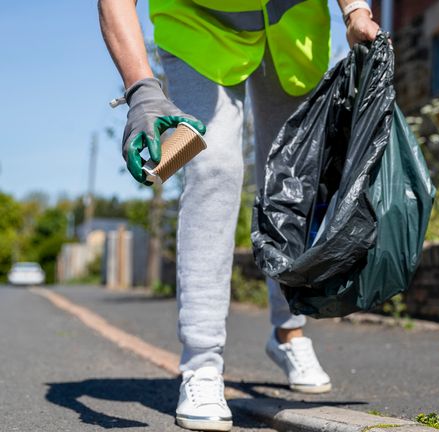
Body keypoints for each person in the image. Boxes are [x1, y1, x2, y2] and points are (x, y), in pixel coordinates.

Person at [97, 1, 380, 430]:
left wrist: (355, 9)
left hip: (290, 27)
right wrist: (141, 89)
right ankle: (202, 363)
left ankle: (288, 332)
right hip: (198, 24)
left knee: (291, 180)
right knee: (214, 169)